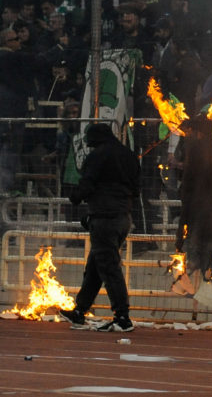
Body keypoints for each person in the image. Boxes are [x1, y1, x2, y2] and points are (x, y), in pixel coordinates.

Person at [60, 123, 140, 332]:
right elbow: (137, 188)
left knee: (109, 268)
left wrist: (75, 197)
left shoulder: (97, 156)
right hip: (123, 217)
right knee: (97, 266)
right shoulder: (129, 156)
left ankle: (122, 317)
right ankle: (79, 312)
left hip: (104, 218)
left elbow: (87, 183)